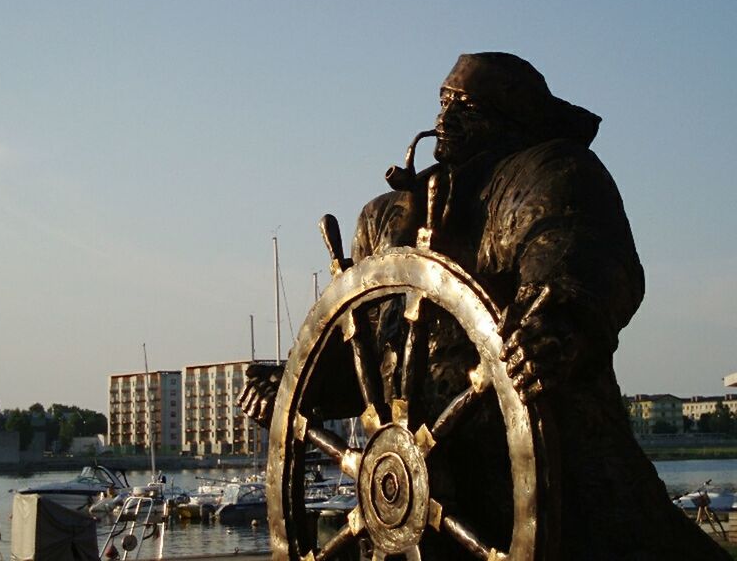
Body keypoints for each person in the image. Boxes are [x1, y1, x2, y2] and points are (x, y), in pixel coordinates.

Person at [242, 53, 729, 559]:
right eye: (443, 102)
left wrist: (557, 322)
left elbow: (578, 253)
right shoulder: (384, 219)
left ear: (512, 117)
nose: (444, 120)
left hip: (558, 482)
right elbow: (367, 358)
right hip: (421, 503)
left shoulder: (551, 173)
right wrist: (299, 388)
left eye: (467, 107)